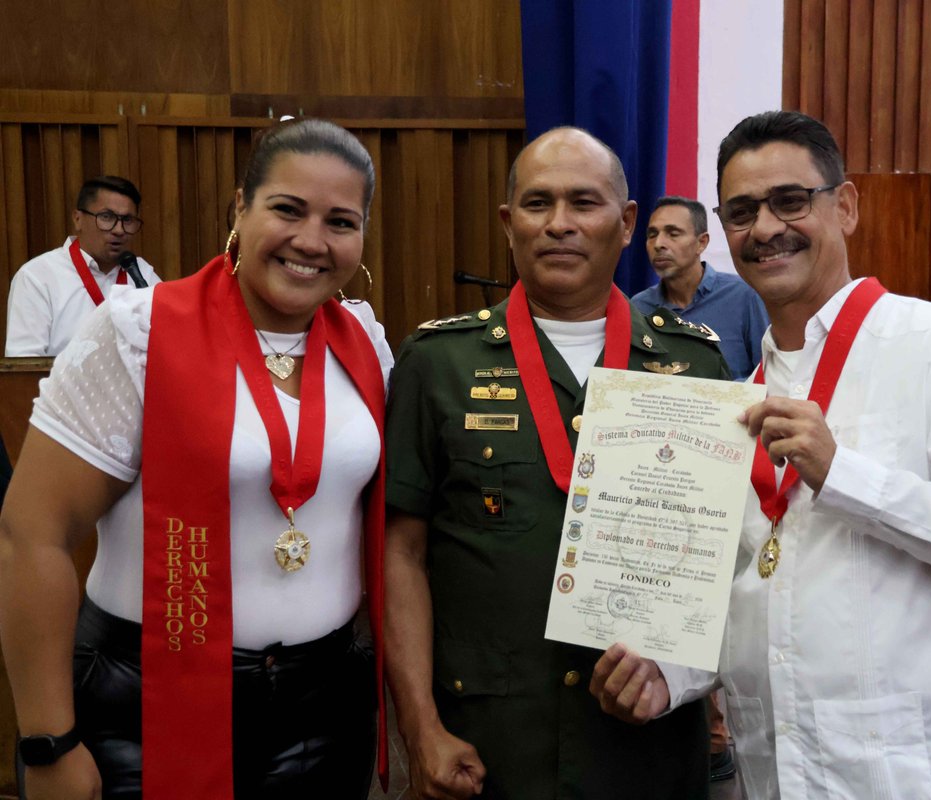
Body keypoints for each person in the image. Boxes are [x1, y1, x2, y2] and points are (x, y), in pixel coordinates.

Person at [592, 111, 931, 799]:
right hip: (780, 773)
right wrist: (671, 671)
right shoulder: (737, 402)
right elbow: (743, 591)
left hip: (925, 777)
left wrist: (843, 474)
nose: (764, 229)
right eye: (742, 211)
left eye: (790, 201)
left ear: (844, 207)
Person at [0, 119, 392, 800]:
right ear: (240, 206)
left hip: (324, 707)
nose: (311, 241)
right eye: (287, 209)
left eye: (341, 220)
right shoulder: (140, 331)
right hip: (148, 702)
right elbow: (32, 535)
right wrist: (47, 742)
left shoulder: (366, 340)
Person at [384, 126, 728, 800]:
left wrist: (693, 677)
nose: (560, 225)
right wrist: (420, 727)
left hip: (644, 736)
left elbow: (722, 564)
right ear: (510, 224)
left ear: (626, 223)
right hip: (491, 739)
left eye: (584, 203)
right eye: (538, 205)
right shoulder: (438, 364)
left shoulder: (696, 366)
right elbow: (404, 554)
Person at [5, 176, 161, 357]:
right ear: (78, 219)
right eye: (106, 217)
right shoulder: (37, 277)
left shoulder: (142, 274)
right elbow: (23, 365)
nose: (118, 229)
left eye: (127, 220)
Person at [631, 196, 768, 380]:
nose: (658, 244)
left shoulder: (744, 296)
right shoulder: (638, 308)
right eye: (652, 234)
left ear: (701, 242)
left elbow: (768, 373)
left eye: (673, 233)